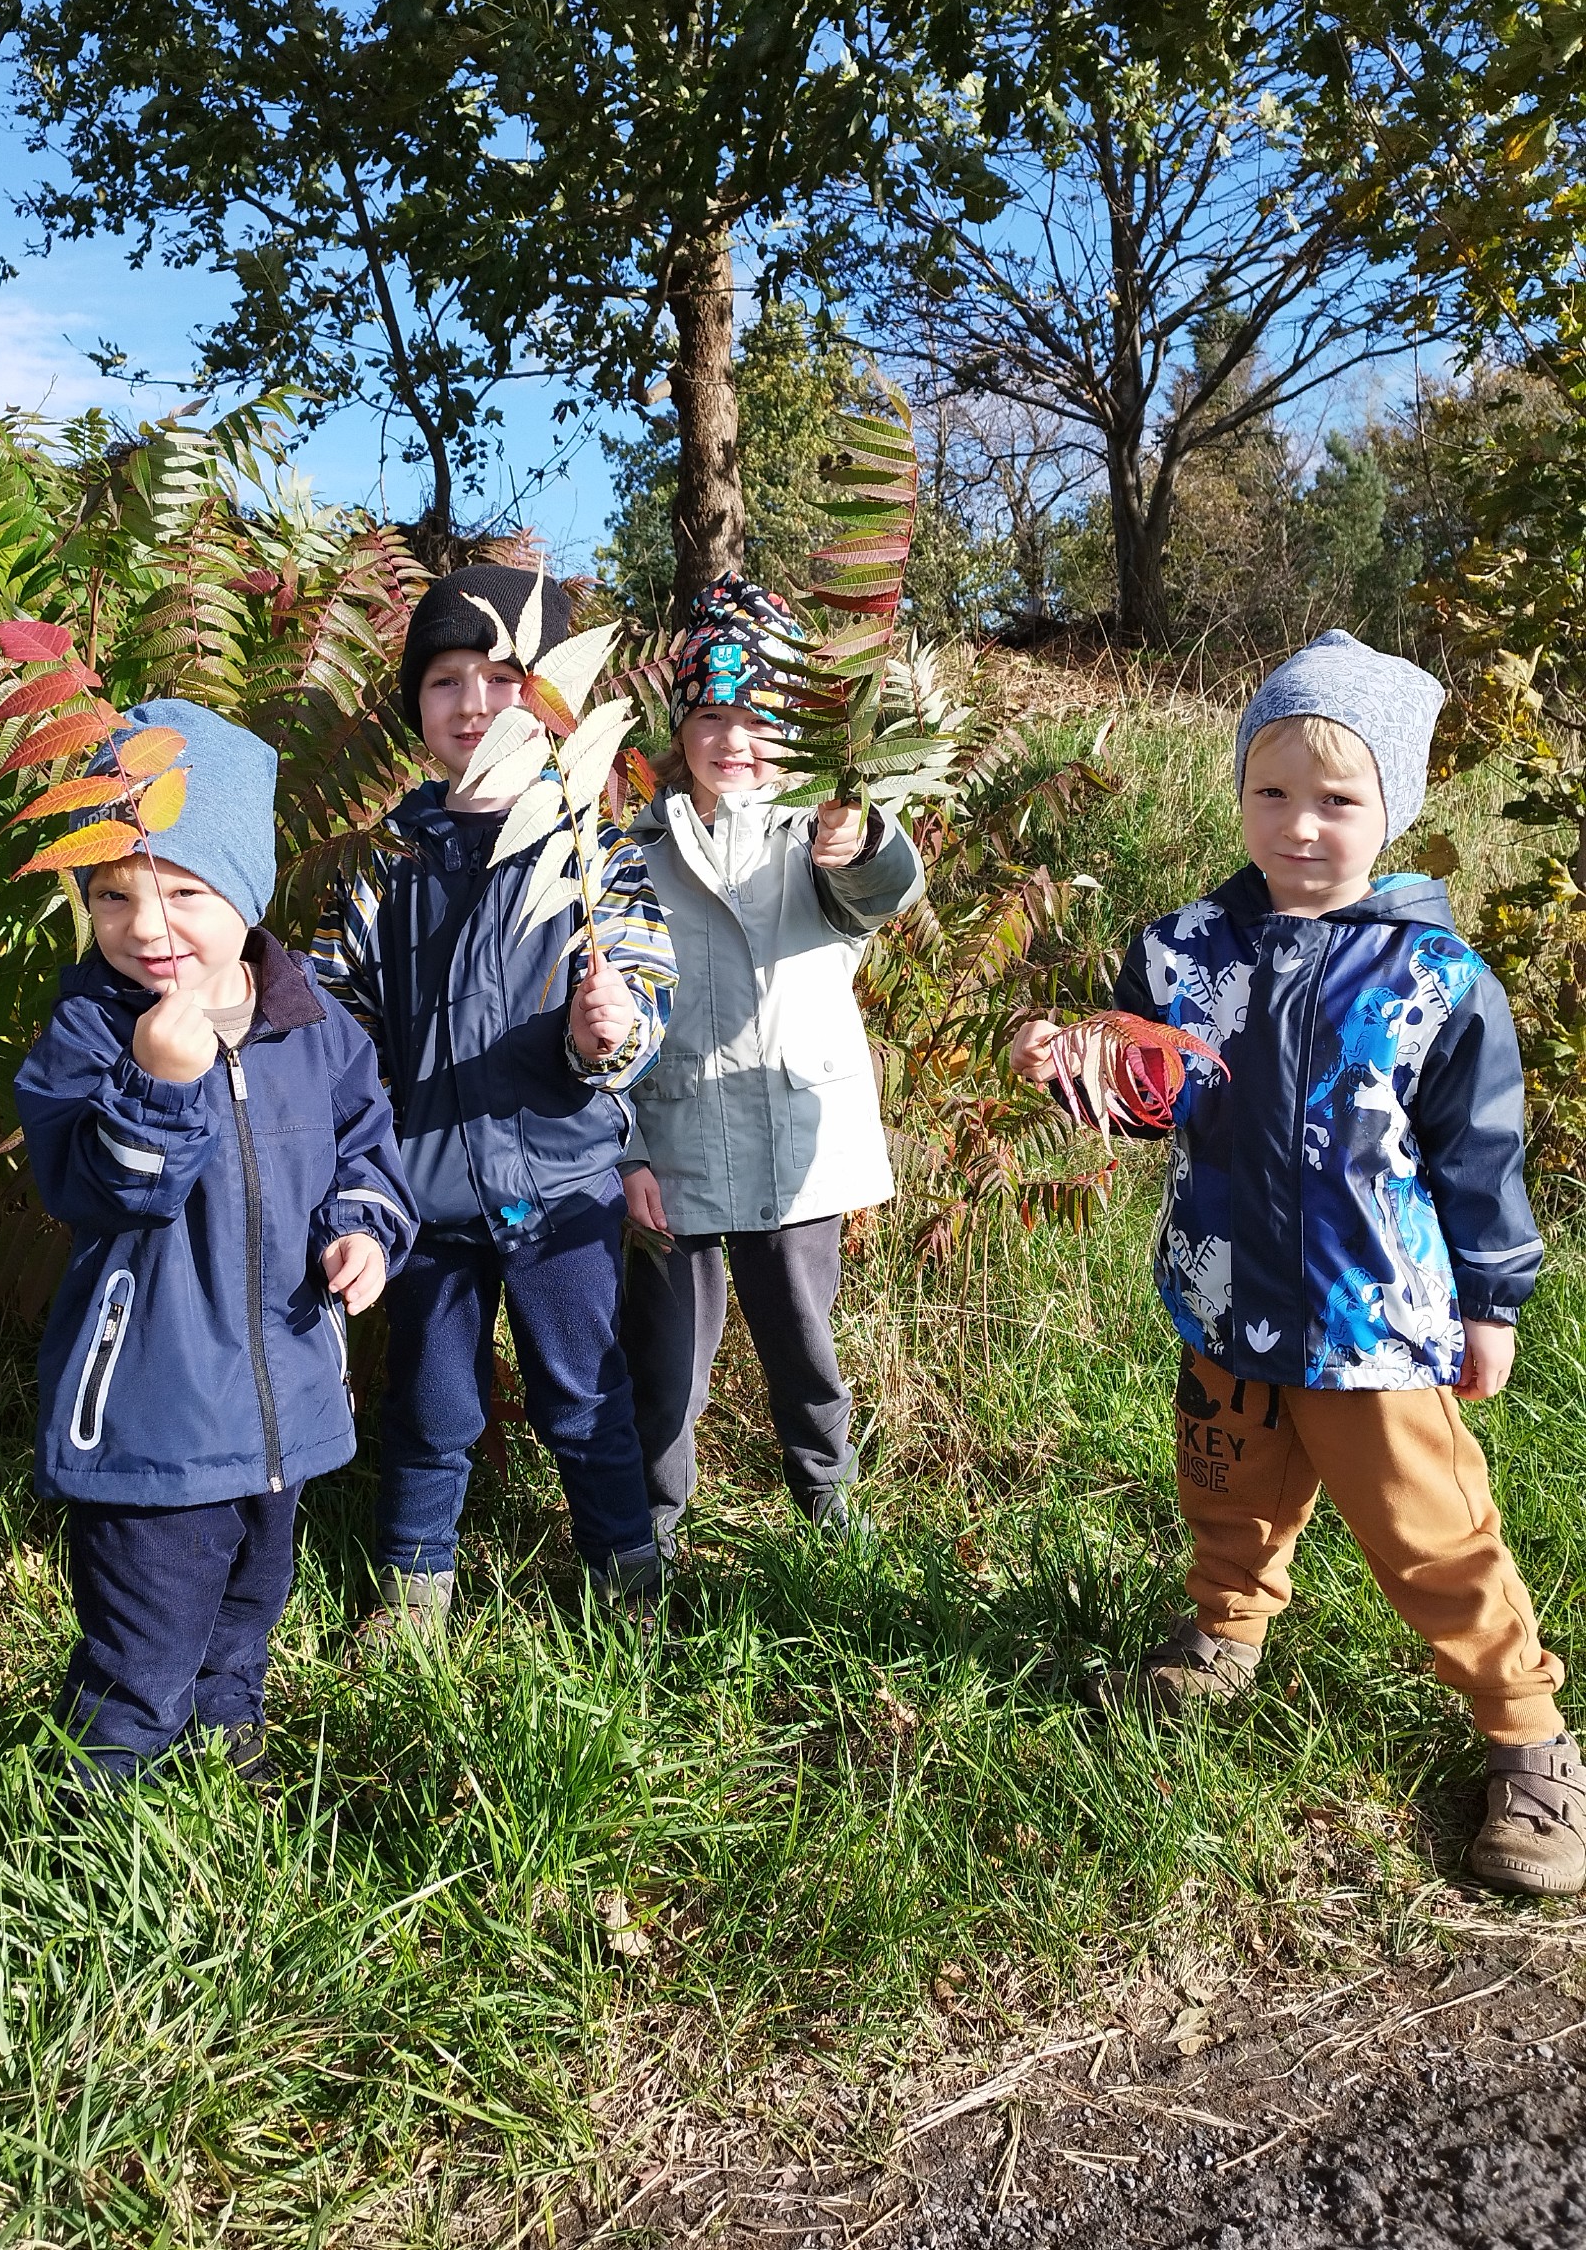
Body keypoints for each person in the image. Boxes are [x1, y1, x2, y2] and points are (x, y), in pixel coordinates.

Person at [1011, 630, 1576, 1897]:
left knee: (1430, 1530)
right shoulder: (1182, 950)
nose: (1300, 825)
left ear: (1393, 808)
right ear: (1239, 792)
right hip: (1223, 1298)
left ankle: (1527, 1733)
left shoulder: (1435, 976)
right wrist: (1070, 1064)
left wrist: (1493, 1302)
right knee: (1228, 1492)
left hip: (1367, 1321)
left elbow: (1480, 1156)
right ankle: (1225, 1631)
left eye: (1337, 798)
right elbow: (1151, 1097)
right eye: (1271, 790)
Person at [15, 699, 416, 1785]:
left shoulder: (312, 1021)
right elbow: (96, 1191)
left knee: (250, 1603)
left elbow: (366, 1146)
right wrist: (157, 1086)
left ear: (246, 888)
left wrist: (362, 1229)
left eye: (183, 891)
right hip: (154, 1411)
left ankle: (227, 1745)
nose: (147, 927)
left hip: (283, 1400)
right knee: (143, 1642)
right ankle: (99, 1811)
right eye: (113, 894)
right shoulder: (91, 1032)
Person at [310, 565, 677, 1633]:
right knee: (430, 1404)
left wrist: (605, 1035)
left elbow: (644, 994)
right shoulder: (387, 860)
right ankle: (412, 1591)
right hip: (423, 1197)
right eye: (444, 680)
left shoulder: (592, 850)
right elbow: (340, 1017)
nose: (473, 703)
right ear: (416, 707)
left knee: (586, 1392)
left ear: (548, 704)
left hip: (560, 1188)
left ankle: (628, 1582)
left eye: (502, 679)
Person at [618, 576, 924, 1552]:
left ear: (793, 728)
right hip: (675, 1143)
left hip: (796, 1143)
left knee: (804, 1347)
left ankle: (830, 1510)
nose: (733, 738)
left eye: (757, 716)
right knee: (667, 1363)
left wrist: (862, 838)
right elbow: (611, 1012)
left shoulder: (817, 837)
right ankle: (650, 1532)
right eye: (711, 715)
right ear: (681, 729)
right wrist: (627, 1149)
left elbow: (881, 890)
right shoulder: (638, 853)